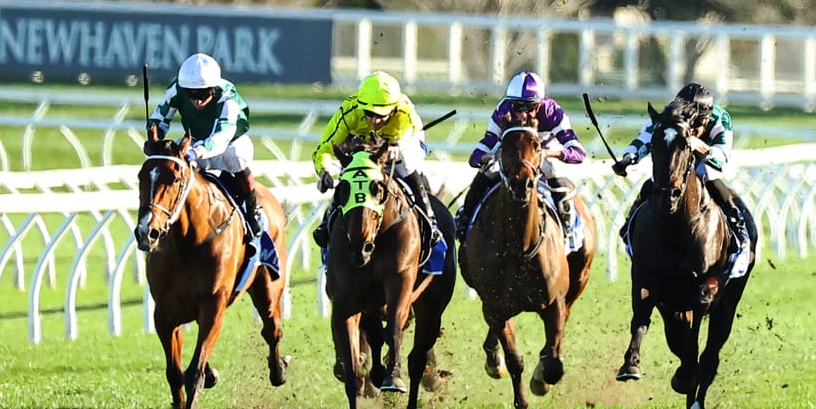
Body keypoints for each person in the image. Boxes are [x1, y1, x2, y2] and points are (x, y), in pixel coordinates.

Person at [613, 82, 749, 266]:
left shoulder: (720, 118)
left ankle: (736, 223)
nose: (692, 130)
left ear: (705, 119)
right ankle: (631, 224)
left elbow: (722, 157)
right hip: (675, 162)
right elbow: (644, 139)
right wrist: (628, 158)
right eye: (689, 126)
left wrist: (697, 144)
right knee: (655, 181)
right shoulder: (670, 117)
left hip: (704, 162)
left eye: (696, 127)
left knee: (707, 174)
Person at [312, 70, 440, 251]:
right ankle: (328, 220)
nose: (375, 120)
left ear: (394, 108)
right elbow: (324, 147)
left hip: (405, 143)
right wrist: (324, 170)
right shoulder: (350, 111)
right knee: (351, 174)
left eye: (381, 115)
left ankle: (430, 220)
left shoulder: (404, 112)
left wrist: (397, 145)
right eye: (369, 113)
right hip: (364, 146)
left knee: (407, 164)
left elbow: (408, 134)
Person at [147, 53, 262, 238]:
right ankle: (164, 213)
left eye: (203, 94)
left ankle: (252, 209)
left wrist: (197, 151)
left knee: (236, 158)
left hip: (229, 142)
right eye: (192, 95)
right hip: (195, 140)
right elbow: (161, 116)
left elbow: (222, 135)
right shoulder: (177, 89)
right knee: (167, 167)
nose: (198, 100)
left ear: (214, 88)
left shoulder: (227, 97)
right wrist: (154, 135)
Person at [461, 72, 587, 231]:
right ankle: (465, 219)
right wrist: (490, 156)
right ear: (511, 103)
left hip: (544, 151)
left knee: (553, 170)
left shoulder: (552, 112)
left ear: (540, 104)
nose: (523, 114)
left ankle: (567, 225)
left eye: (530, 107)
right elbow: (481, 150)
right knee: (486, 172)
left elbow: (578, 152)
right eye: (518, 106)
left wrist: (549, 153)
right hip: (513, 154)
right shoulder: (503, 111)